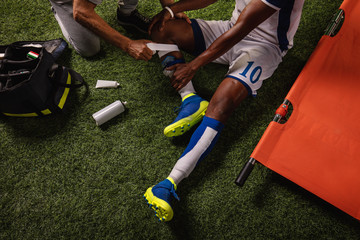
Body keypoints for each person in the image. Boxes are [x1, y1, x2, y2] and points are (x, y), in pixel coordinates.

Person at [143, 0, 305, 222]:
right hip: (230, 27)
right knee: (161, 28)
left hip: (264, 45)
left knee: (222, 104)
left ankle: (169, 183)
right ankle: (190, 99)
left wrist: (194, 65)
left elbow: (244, 28)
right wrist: (173, 10)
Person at [48, 0, 189, 59]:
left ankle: (126, 14)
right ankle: (61, 6)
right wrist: (128, 45)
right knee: (90, 49)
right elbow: (81, 12)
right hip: (73, 4)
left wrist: (170, 7)